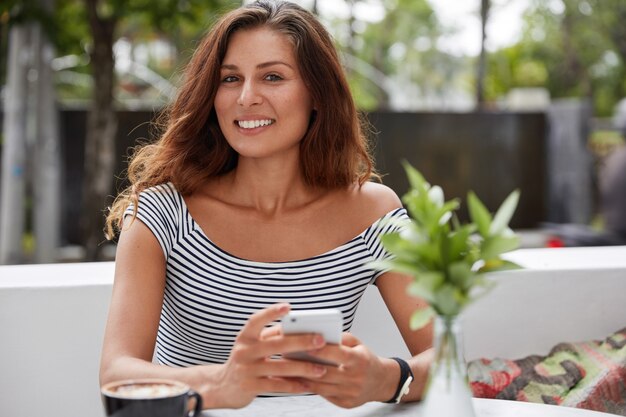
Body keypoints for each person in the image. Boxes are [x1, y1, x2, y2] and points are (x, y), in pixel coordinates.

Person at [100, 0, 432, 410]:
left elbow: (449, 356)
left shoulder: (373, 214)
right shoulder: (162, 213)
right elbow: (117, 373)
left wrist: (386, 378)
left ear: (317, 94)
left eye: (273, 76)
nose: (247, 97)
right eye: (230, 78)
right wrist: (224, 382)